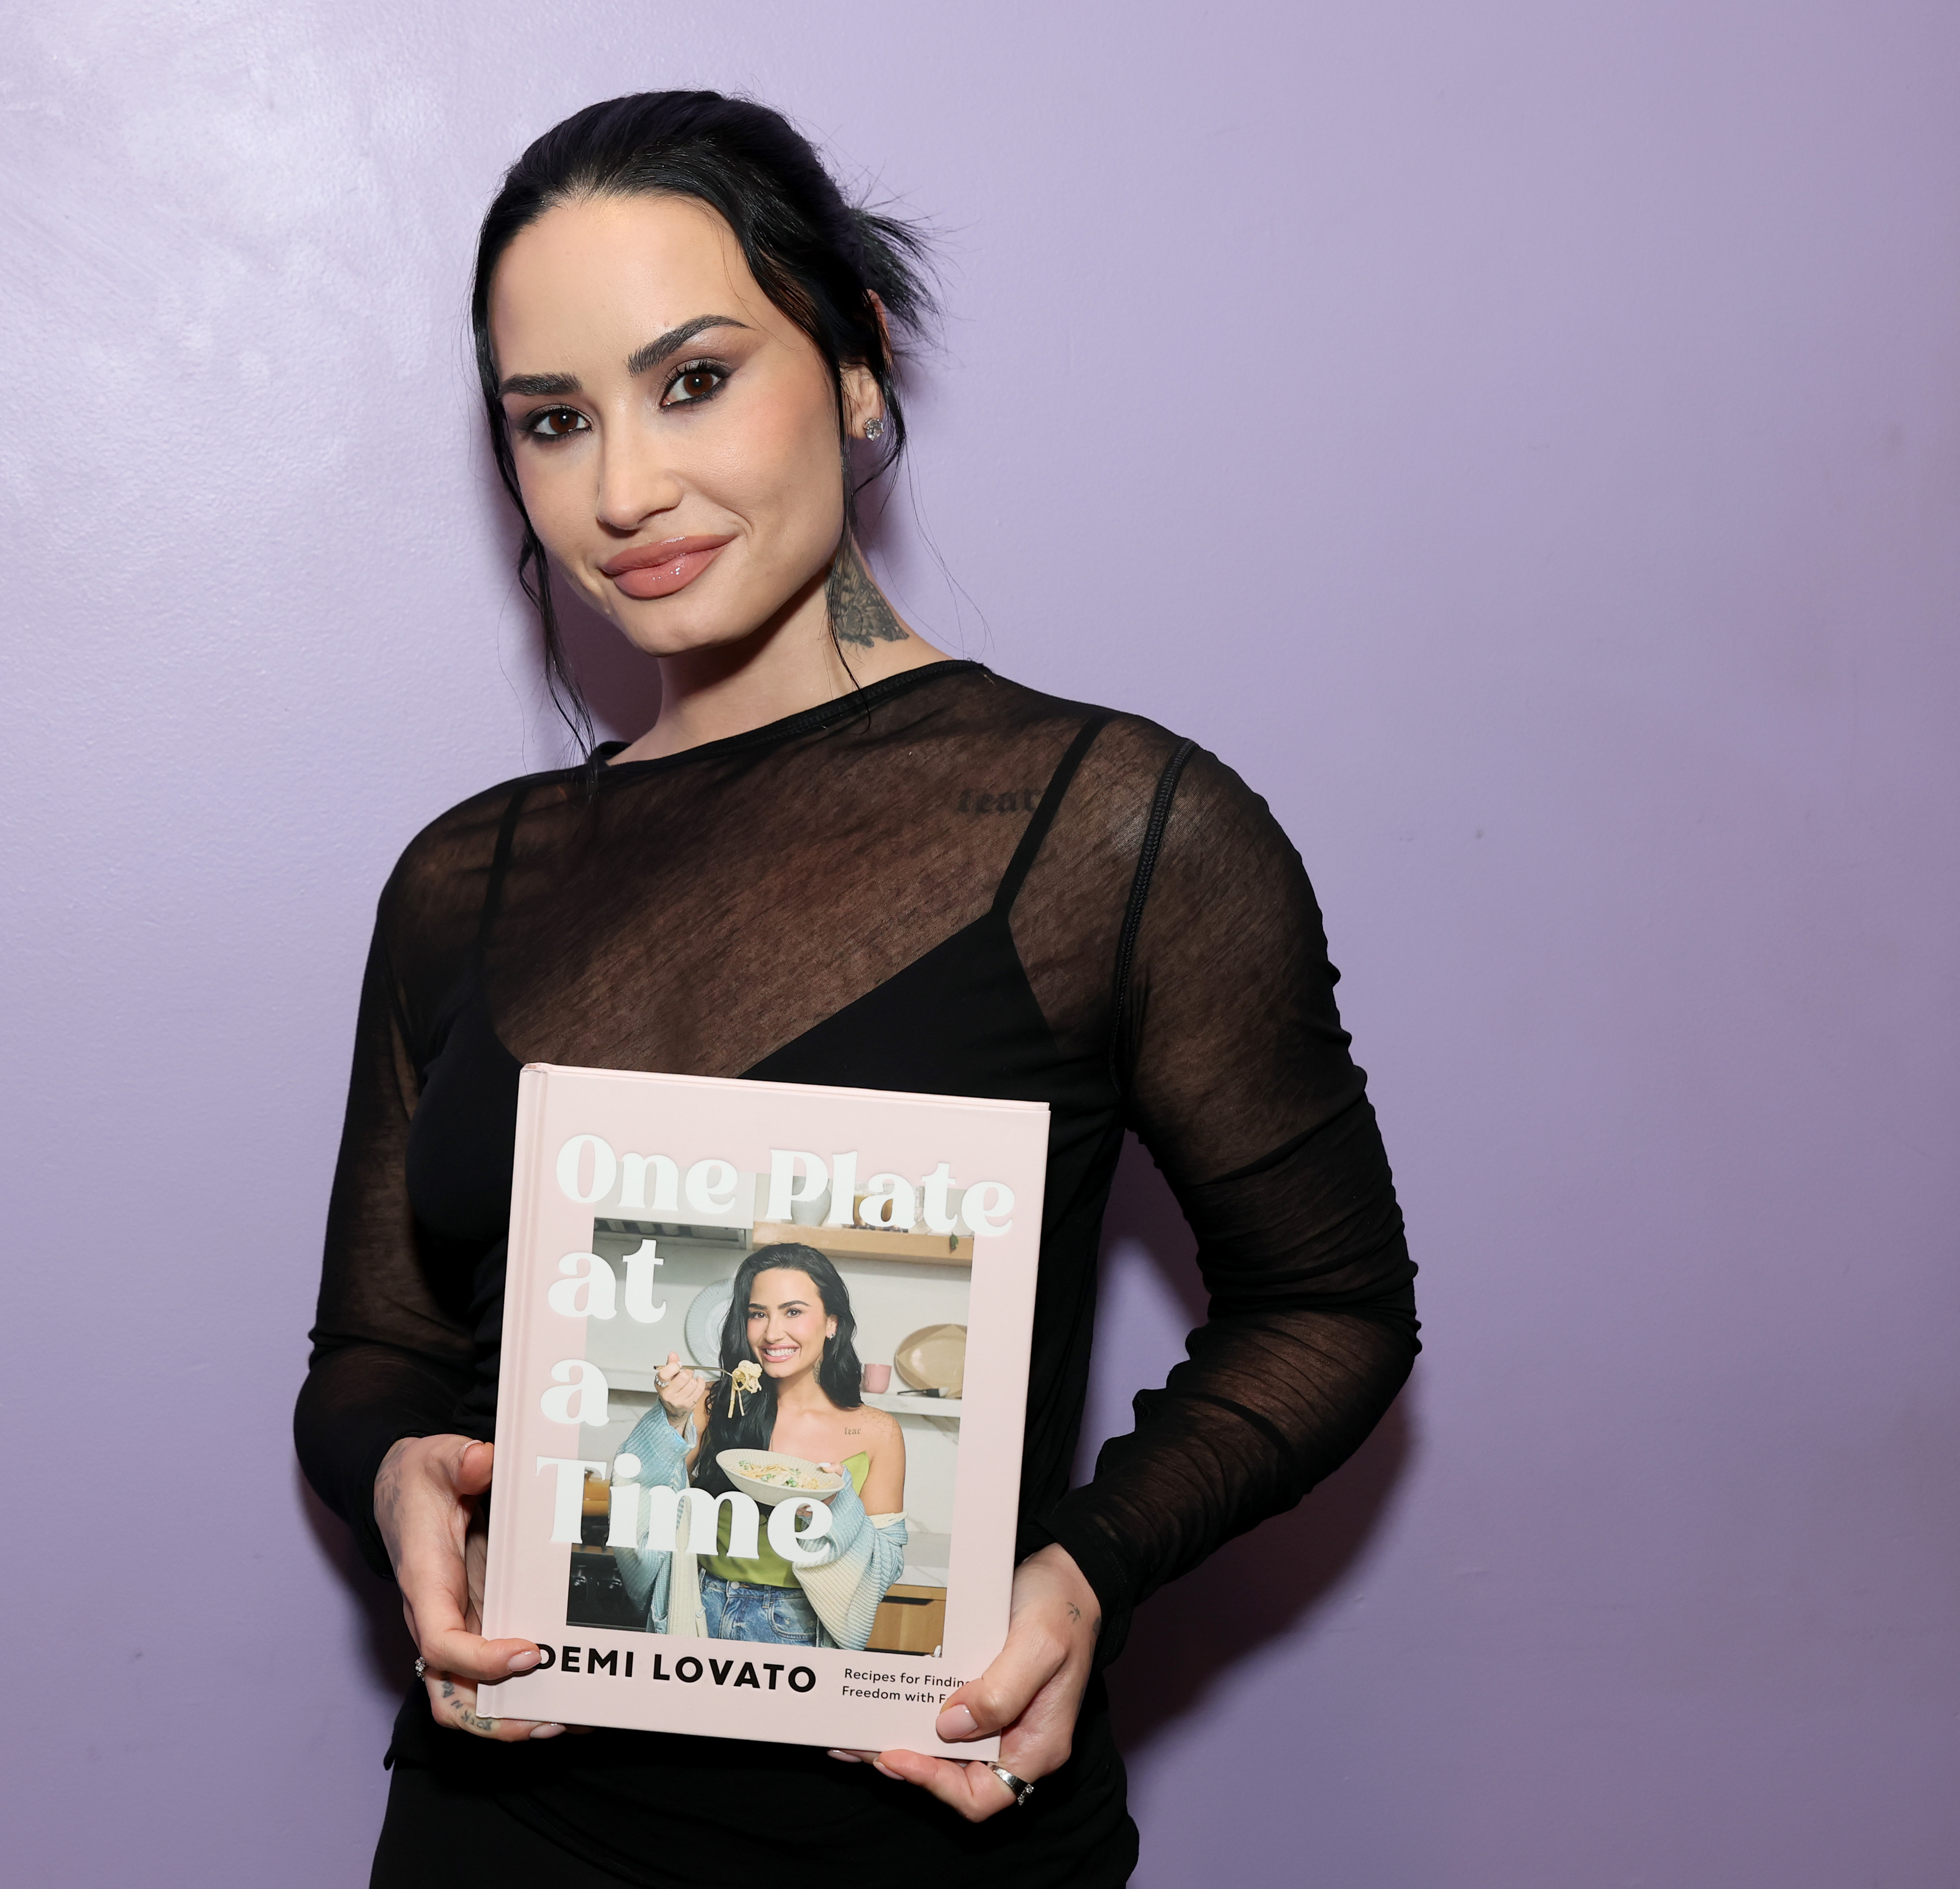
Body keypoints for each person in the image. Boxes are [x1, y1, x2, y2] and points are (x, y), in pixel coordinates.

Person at [294, 89, 1418, 1888]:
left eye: (692, 380)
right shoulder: (462, 878)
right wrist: (394, 1481)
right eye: (552, 422)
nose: (622, 489)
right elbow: (374, 1351)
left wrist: (1085, 1567)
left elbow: (1335, 1307)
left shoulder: (1113, 832)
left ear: (857, 363)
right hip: (500, 1838)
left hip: (927, 1838)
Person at [608, 1244, 909, 1646]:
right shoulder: (714, 1402)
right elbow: (637, 1497)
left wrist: (838, 1512)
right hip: (700, 1611)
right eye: (758, 1314)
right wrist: (669, 1419)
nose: (772, 1333)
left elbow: (886, 1563)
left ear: (832, 1322)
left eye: (794, 1312)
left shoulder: (878, 1432)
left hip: (801, 1624)